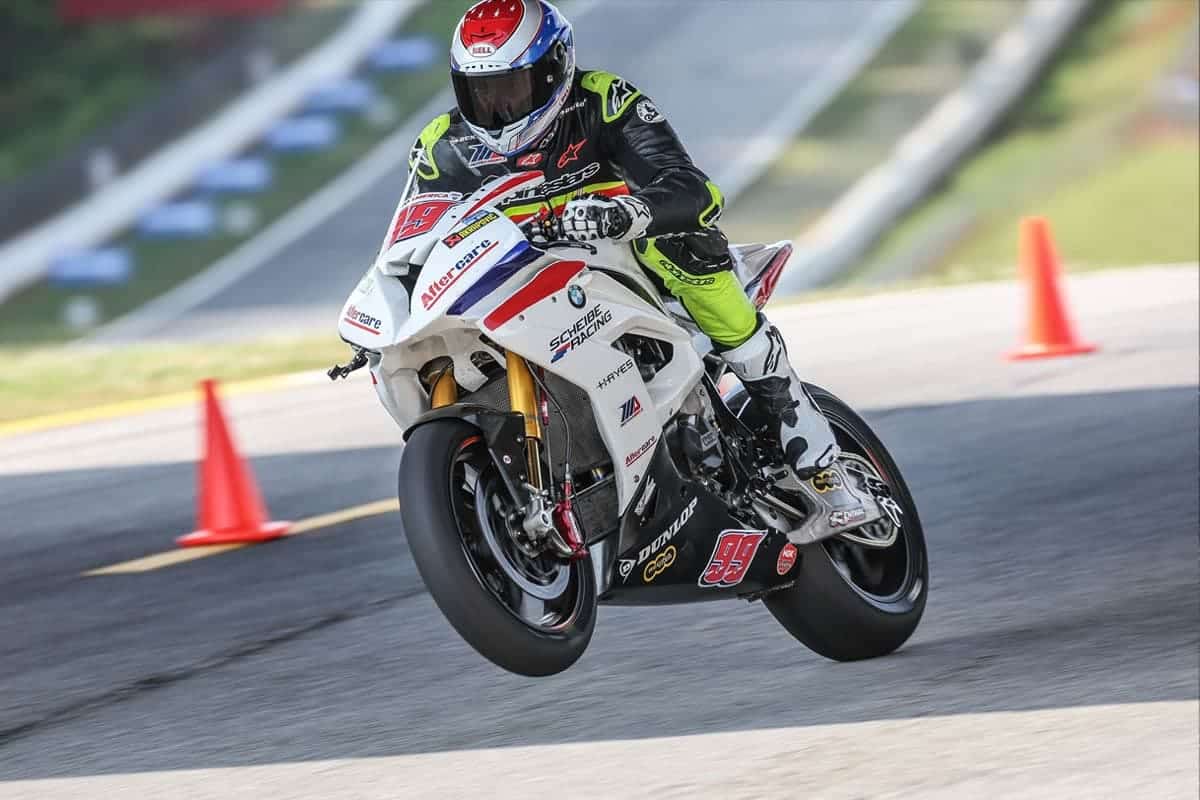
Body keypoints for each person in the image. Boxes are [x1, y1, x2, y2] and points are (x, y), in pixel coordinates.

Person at [408, 0, 859, 510]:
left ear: (556, 68)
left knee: (679, 242)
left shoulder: (604, 101)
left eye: (513, 88)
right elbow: (415, 234)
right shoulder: (441, 144)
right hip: (523, 278)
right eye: (480, 91)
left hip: (623, 265)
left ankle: (796, 420)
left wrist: (627, 213)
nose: (498, 107)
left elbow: (693, 189)